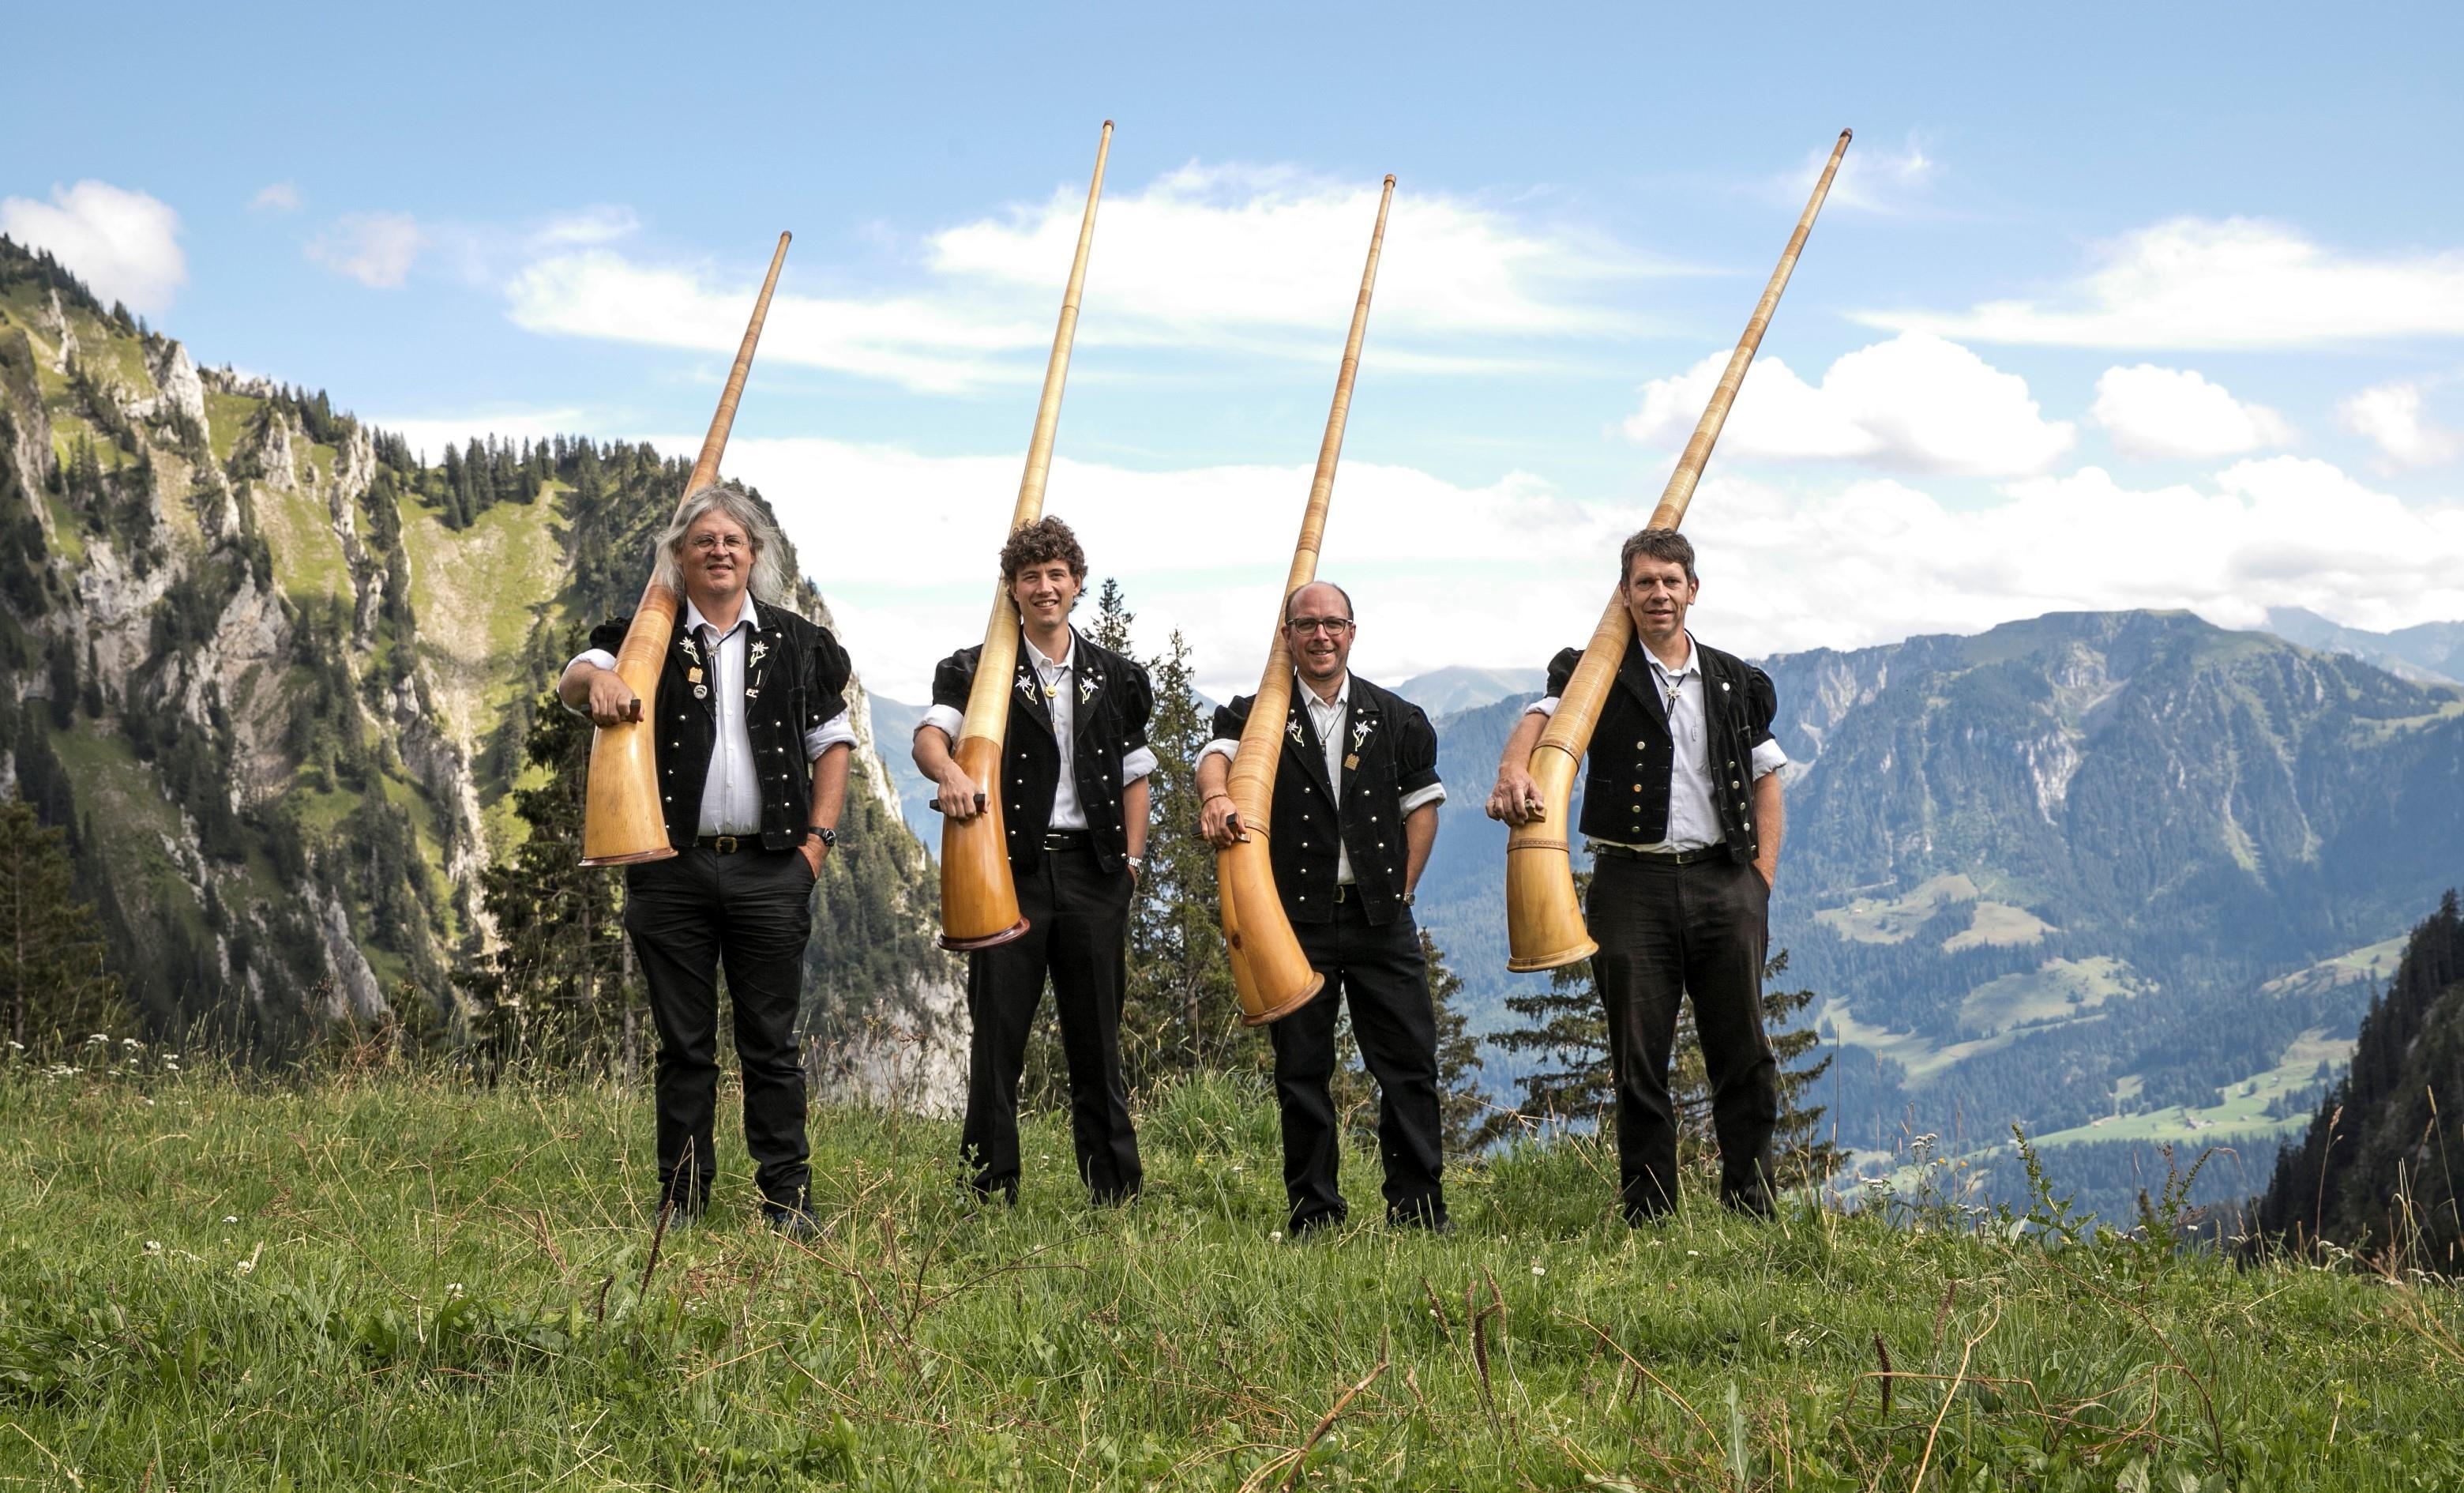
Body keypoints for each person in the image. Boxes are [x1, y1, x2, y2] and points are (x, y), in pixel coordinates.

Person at [559, 483, 854, 1235]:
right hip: (670, 867)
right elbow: (575, 678)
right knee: (684, 1046)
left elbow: (832, 747)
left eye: (733, 541)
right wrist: (600, 682)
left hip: (771, 867)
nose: (719, 551)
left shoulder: (796, 641)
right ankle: (681, 1203)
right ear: (679, 559)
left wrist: (814, 848)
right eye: (703, 541)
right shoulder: (644, 638)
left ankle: (787, 1201)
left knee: (772, 1044)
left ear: (755, 555)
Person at [1487, 528, 1787, 1220]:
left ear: (1693, 590)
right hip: (1630, 885)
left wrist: (1760, 879)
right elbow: (1538, 717)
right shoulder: (1599, 671)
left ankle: (1753, 1208)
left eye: (1671, 581)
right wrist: (1511, 768)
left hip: (1725, 880)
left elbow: (1769, 775)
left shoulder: (1731, 677)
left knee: (1744, 1053)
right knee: (1638, 1059)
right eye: (1645, 582)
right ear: (1624, 594)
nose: (1659, 594)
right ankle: (1649, 1213)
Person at [914, 516, 1154, 1205]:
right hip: (1006, 872)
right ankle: (989, 1191)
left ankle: (1113, 1191)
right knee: (998, 1039)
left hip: (1094, 871)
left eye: (1056, 575)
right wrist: (949, 776)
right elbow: (931, 737)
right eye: (1030, 577)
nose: (1045, 588)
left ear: (1078, 584)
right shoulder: (976, 668)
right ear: (1012, 589)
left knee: (1097, 1040)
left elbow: (1136, 774)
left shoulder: (1117, 676)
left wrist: (1130, 864)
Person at [1199, 581, 1448, 1235]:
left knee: (1409, 1067)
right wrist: (1215, 798)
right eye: (1306, 625)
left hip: (1380, 917)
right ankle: (1315, 1214)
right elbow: (1214, 761)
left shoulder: (1397, 716)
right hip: (1292, 920)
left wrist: (1402, 893)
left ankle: (1419, 1211)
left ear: (1352, 632)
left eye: (1332, 623)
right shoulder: (1255, 714)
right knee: (1302, 1072)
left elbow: (1422, 812)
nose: (1320, 636)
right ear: (1286, 637)